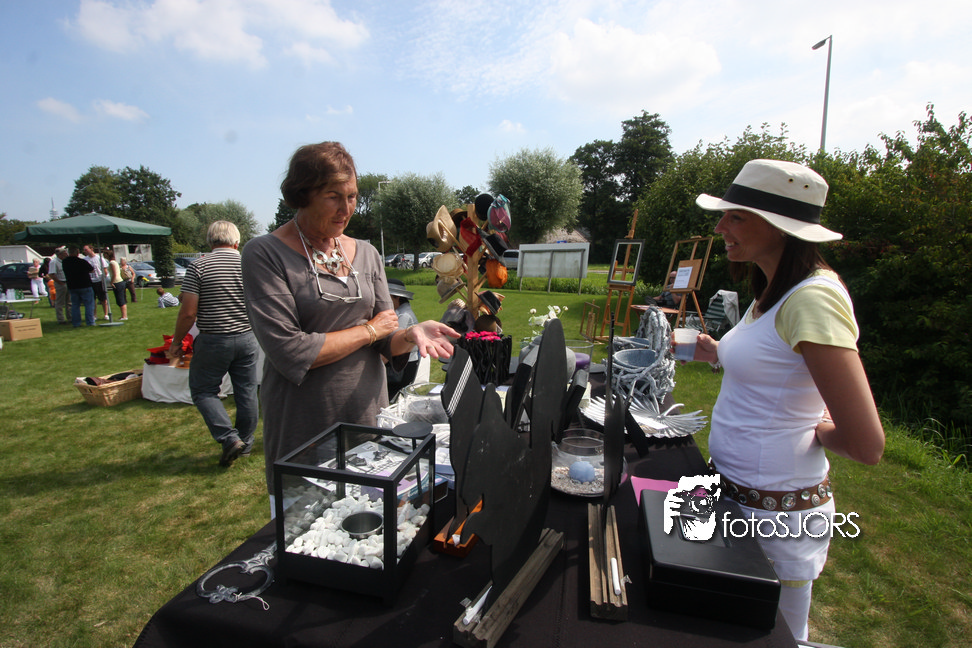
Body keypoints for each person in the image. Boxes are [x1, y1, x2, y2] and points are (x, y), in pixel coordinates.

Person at [689, 159, 885, 641]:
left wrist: (817, 427)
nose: (720, 227)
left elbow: (866, 444)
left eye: (736, 216)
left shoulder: (813, 299)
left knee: (773, 638)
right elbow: (778, 367)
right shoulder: (775, 289)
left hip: (774, 519)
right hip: (735, 500)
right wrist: (719, 352)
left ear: (780, 227)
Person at [242, 141, 460, 514]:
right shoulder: (264, 253)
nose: (346, 209)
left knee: (376, 525)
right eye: (333, 197)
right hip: (305, 426)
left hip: (368, 418)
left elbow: (386, 338)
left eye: (352, 196)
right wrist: (369, 331)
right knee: (308, 528)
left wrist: (409, 335)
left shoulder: (367, 253)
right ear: (302, 194)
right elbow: (291, 351)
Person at [165, 221, 259, 467]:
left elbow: (188, 312)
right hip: (247, 337)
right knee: (247, 391)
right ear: (236, 242)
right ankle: (245, 443)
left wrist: (177, 342)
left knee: (203, 390)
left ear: (210, 241)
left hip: (213, 338)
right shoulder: (249, 265)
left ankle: (229, 438)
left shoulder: (199, 266)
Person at [385, 278, 420, 400]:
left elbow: (394, 343)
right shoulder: (401, 312)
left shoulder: (403, 315)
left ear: (397, 298)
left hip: (404, 366)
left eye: (387, 297)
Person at [62, 247, 96, 327]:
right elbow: (91, 270)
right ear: (77, 253)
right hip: (85, 285)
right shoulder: (82, 261)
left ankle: (76, 323)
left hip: (72, 286)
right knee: (88, 304)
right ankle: (90, 322)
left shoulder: (65, 262)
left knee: (75, 305)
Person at [83, 244, 109, 320]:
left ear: (91, 249)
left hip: (99, 280)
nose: (85, 251)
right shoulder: (85, 260)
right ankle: (94, 315)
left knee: (103, 298)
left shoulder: (99, 258)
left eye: (86, 249)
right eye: (84, 250)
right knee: (92, 299)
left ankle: (106, 314)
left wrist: (103, 278)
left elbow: (105, 270)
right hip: (90, 281)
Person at [48, 247, 71, 323]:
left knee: (69, 302)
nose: (66, 254)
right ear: (60, 254)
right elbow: (51, 274)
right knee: (60, 302)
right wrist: (60, 282)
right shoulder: (54, 262)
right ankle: (61, 319)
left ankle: (70, 317)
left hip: (67, 282)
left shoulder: (66, 261)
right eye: (65, 253)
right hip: (60, 283)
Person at [105, 249, 128, 321]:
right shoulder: (114, 262)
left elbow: (114, 274)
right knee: (121, 299)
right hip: (120, 281)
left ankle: (124, 316)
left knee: (120, 299)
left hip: (117, 282)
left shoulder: (112, 263)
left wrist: (111, 282)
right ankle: (124, 315)